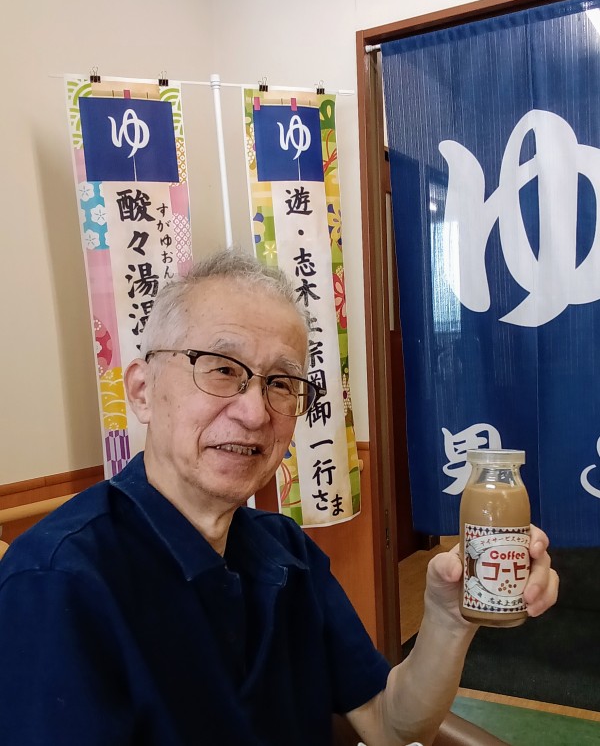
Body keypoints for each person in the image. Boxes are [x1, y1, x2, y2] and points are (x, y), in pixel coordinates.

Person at [0, 249, 558, 746]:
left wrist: (448, 616)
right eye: (222, 370)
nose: (254, 412)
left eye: (281, 383)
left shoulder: (284, 551)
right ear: (143, 391)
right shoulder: (58, 581)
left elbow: (391, 727)